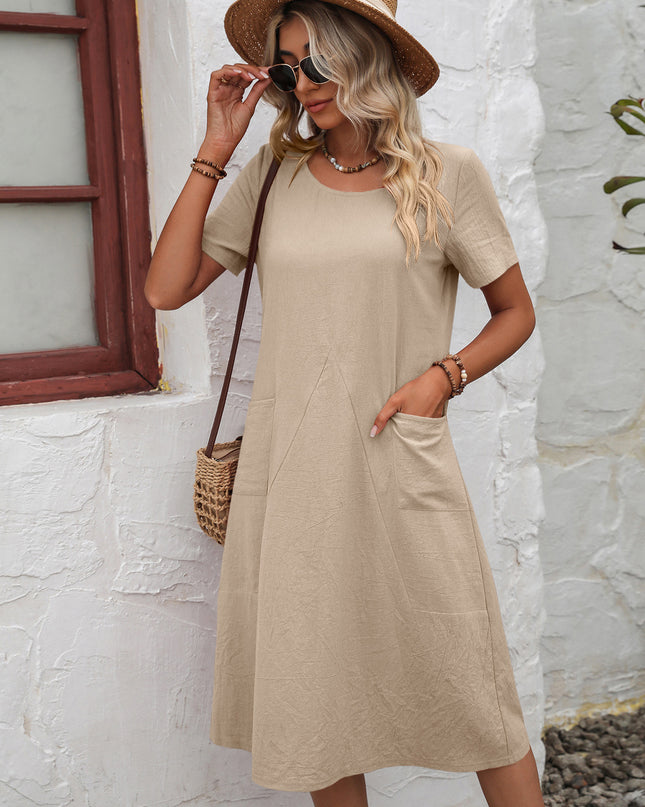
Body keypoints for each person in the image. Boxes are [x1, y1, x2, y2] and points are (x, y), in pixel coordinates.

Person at [144, 1, 544, 805]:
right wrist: (214, 149)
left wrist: (444, 376)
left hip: (400, 462)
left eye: (318, 63)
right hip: (293, 478)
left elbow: (514, 313)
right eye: (290, 68)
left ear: (366, 61)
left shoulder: (445, 173)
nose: (305, 84)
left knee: (472, 689)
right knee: (314, 699)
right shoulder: (272, 175)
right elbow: (166, 287)